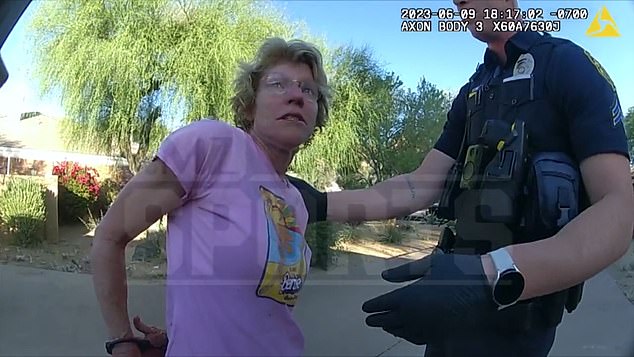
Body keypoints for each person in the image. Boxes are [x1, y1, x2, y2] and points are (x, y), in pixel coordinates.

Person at [293, 0, 633, 356]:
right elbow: (419, 185)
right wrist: (321, 202)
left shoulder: (568, 65)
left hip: (518, 321)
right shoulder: (474, 89)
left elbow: (618, 212)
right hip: (450, 308)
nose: (458, 3)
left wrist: (486, 277)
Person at [90, 36, 332, 356]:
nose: (296, 96)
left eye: (308, 90)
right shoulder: (213, 144)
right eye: (278, 84)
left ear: (316, 117)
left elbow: (259, 308)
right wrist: (122, 340)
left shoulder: (296, 203)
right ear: (249, 105)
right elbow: (109, 236)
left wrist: (181, 333)